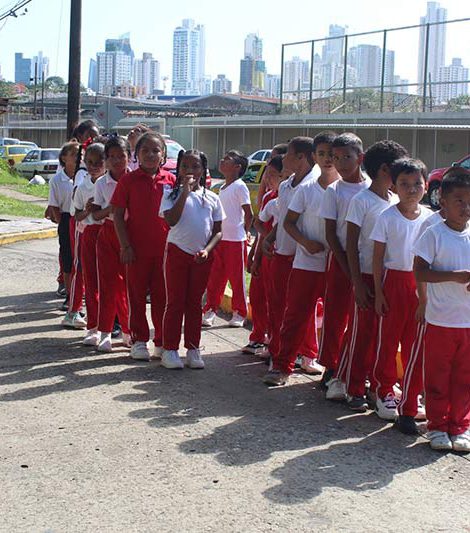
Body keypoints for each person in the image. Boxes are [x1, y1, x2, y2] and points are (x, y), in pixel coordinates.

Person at [328, 140, 408, 408]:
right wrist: (357, 283)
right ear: (385, 169)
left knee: (380, 336)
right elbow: (351, 245)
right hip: (364, 275)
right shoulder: (361, 201)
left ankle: (375, 385)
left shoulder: (395, 200)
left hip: (387, 278)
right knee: (361, 333)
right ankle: (353, 387)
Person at [263, 131, 339, 386]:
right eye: (322, 153)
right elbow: (288, 222)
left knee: (335, 320)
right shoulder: (306, 189)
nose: (328, 159)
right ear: (314, 156)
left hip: (337, 264)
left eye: (333, 154)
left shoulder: (348, 189)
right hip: (306, 261)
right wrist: (305, 243)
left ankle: (332, 372)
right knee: (294, 316)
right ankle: (282, 366)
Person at [370, 158, 433, 421]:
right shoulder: (387, 217)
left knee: (415, 343)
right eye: (404, 184)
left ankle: (411, 393)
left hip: (420, 286)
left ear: (426, 186)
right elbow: (377, 257)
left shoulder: (431, 218)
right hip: (393, 283)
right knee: (388, 341)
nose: (411, 189)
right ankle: (383, 391)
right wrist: (378, 292)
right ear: (394, 187)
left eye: (417, 183)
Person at [413, 170, 470, 452]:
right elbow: (420, 272)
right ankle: (437, 426)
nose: (466, 207)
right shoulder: (433, 234)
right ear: (442, 202)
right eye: (459, 200)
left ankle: (460, 426)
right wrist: (454, 277)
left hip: (467, 322)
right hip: (440, 321)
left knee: (464, 377)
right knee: (438, 376)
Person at [112, 131, 176, 361]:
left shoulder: (171, 180)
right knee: (136, 296)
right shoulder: (128, 180)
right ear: (136, 154)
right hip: (136, 250)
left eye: (155, 150)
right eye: (145, 150)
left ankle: (161, 341)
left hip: (165, 251)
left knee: (162, 298)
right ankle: (139, 340)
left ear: (163, 154)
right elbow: (117, 215)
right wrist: (125, 246)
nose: (150, 155)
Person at [160, 150, 225, 369]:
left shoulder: (212, 198)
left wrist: (207, 250)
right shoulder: (170, 194)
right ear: (178, 170)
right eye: (185, 166)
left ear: (203, 171)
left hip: (201, 257)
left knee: (195, 304)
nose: (190, 171)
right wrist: (185, 193)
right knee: (175, 302)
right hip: (177, 252)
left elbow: (218, 231)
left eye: (195, 167)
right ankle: (170, 349)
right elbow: (171, 220)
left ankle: (193, 348)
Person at [261, 136, 318, 384]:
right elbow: (285, 218)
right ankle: (278, 356)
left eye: (288, 154)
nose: (283, 158)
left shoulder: (316, 185)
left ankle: (306, 355)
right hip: (283, 255)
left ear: (302, 157)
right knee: (278, 308)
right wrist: (270, 238)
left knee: (301, 311)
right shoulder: (285, 186)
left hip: (304, 257)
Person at [318, 133, 370, 388]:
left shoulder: (372, 187)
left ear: (360, 158)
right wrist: (346, 267)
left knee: (361, 316)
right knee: (335, 314)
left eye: (346, 157)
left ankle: (354, 366)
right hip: (339, 259)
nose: (340, 163)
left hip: (366, 261)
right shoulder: (334, 191)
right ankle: (331, 366)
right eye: (335, 157)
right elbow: (330, 232)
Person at [202, 150, 253, 328]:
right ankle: (210, 309)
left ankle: (239, 312)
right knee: (215, 278)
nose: (222, 160)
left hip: (235, 241)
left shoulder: (240, 186)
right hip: (220, 240)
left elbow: (248, 213)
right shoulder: (222, 187)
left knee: (236, 279)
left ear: (237, 167)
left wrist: (245, 232)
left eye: (227, 159)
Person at [92, 136, 132, 353]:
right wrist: (111, 209)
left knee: (130, 287)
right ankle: (105, 332)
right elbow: (96, 214)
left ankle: (129, 331)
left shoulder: (135, 180)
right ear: (106, 160)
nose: (117, 161)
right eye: (112, 157)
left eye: (121, 156)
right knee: (107, 285)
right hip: (108, 234)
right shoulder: (101, 183)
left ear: (129, 157)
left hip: (131, 235)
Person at [243, 155, 284, 356]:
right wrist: (254, 255)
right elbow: (261, 228)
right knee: (258, 297)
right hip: (264, 253)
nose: (268, 179)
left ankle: (275, 342)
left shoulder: (290, 198)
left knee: (276, 301)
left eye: (273, 175)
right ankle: (259, 337)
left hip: (278, 255)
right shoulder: (269, 198)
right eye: (267, 174)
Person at [68, 143, 106, 339]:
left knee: (109, 282)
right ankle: (94, 325)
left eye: (98, 162)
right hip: (89, 233)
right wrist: (88, 210)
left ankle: (115, 326)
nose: (94, 167)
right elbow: (77, 215)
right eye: (90, 162)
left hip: (108, 234)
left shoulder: (111, 183)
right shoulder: (83, 186)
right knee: (90, 281)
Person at [47, 141, 82, 323]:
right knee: (68, 260)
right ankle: (70, 296)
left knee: (81, 261)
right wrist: (62, 223)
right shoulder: (57, 180)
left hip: (82, 219)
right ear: (64, 158)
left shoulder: (84, 176)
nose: (78, 158)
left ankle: (80, 297)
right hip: (67, 219)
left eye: (80, 154)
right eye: (74, 154)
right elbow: (54, 205)